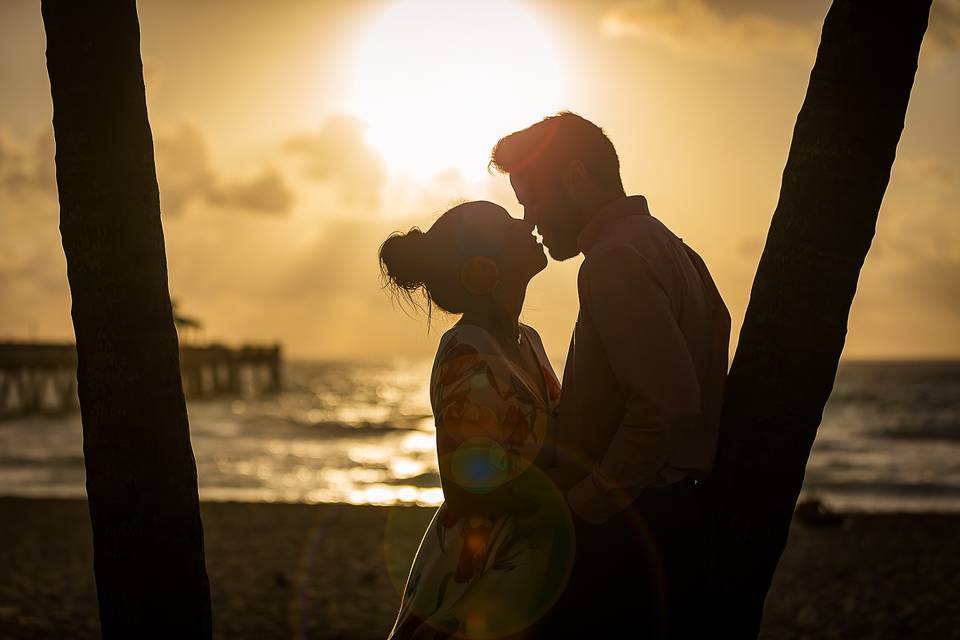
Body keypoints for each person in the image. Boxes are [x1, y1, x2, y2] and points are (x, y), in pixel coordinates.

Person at [490, 112, 731, 638]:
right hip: (667, 513)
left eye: (531, 199)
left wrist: (581, 506)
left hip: (633, 523)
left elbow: (665, 407)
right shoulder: (671, 248)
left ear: (576, 180)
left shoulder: (614, 260)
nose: (528, 220)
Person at [381, 201, 576, 640]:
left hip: (526, 560)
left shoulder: (528, 340)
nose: (526, 223)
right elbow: (463, 485)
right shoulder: (466, 348)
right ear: (483, 267)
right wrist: (559, 502)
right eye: (508, 226)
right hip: (481, 568)